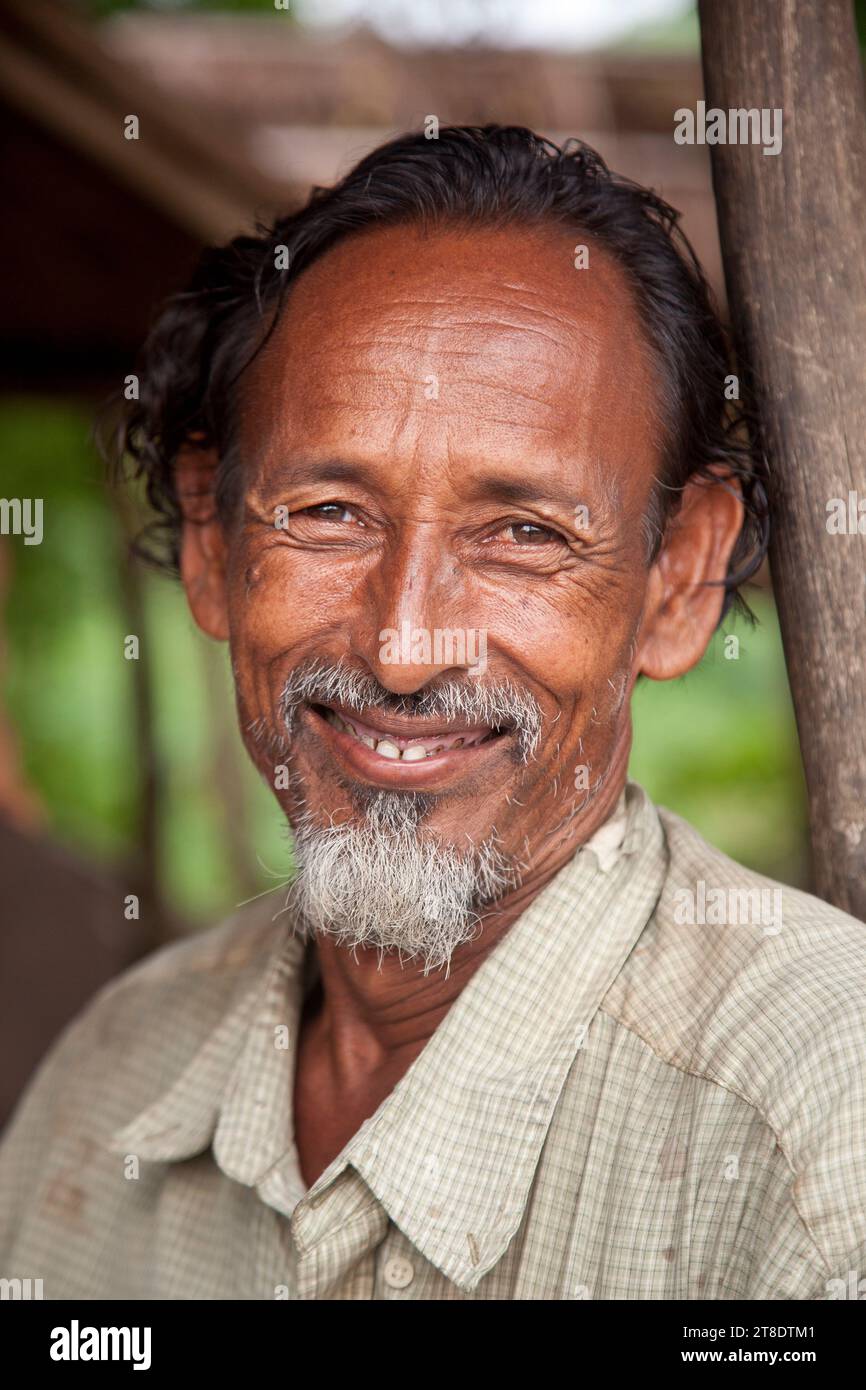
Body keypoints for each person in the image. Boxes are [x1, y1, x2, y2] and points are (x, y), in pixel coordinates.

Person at [1, 126, 864, 1301]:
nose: (405, 647)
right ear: (210, 541)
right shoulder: (111, 1073)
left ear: (677, 579)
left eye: (523, 534)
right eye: (328, 511)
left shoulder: (821, 1126)